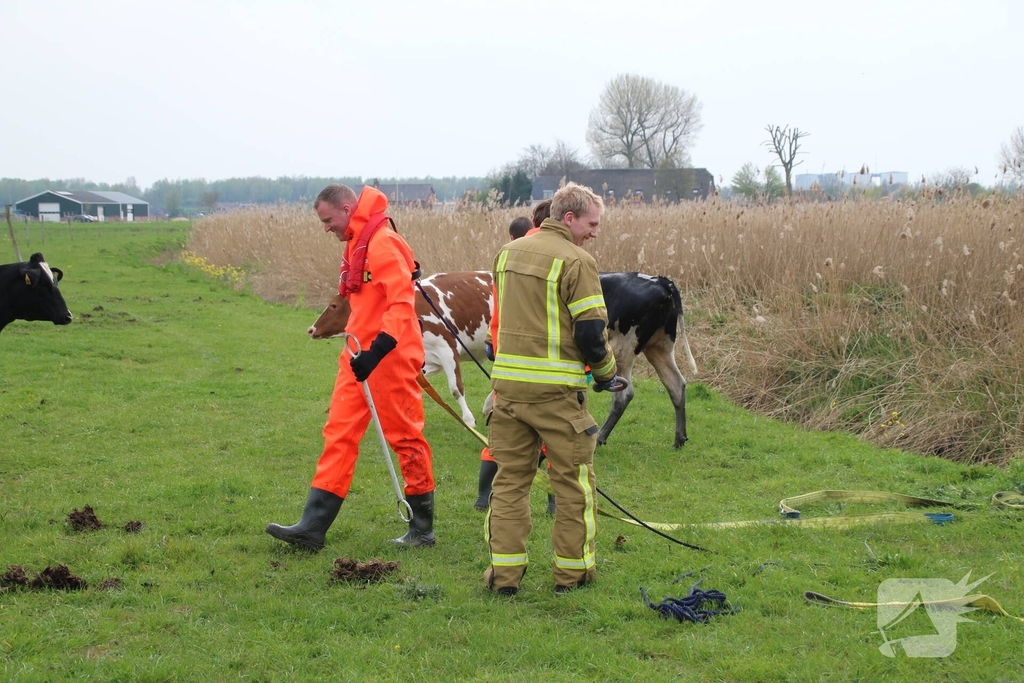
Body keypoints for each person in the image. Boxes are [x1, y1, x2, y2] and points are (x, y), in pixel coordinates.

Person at [266, 183, 436, 551]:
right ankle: (312, 528)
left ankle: (422, 529)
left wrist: (377, 352)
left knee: (406, 437)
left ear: (346, 208)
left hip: (389, 355)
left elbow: (401, 304)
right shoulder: (355, 241)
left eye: (328, 220)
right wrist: (362, 352)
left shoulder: (383, 242)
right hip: (357, 352)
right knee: (338, 432)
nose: (326, 227)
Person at [484, 183, 625, 596]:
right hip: (558, 396)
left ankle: (503, 579)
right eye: (592, 223)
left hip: (507, 392)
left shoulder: (506, 254)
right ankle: (573, 576)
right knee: (573, 486)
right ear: (570, 218)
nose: (595, 232)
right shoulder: (577, 260)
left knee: (509, 485)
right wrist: (605, 375)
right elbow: (591, 335)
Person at [474, 205, 552, 513]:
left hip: (507, 361)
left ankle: (484, 497)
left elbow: (500, 307)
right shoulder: (562, 258)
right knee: (554, 436)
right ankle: (554, 503)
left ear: (533, 222)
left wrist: (493, 340)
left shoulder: (508, 255)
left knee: (503, 433)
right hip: (546, 364)